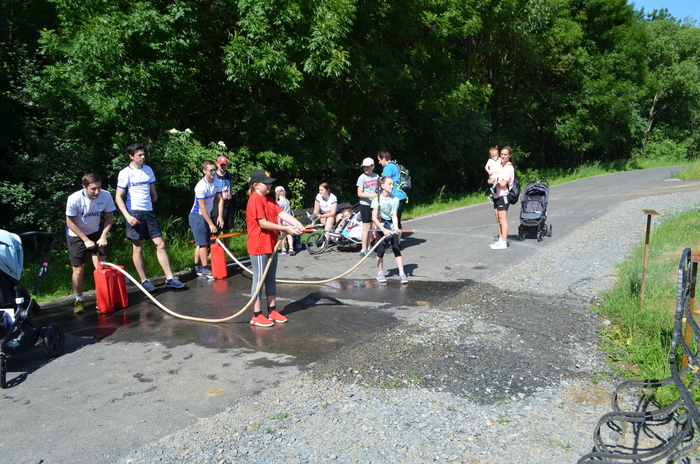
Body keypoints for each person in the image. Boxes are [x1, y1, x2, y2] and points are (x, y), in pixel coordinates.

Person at [115, 142, 186, 291]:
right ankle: (144, 281)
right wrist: (127, 216)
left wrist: (154, 196)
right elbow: (118, 197)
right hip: (134, 212)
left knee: (160, 244)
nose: (143, 157)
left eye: (143, 154)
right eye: (139, 155)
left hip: (149, 211)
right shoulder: (125, 173)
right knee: (138, 247)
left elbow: (152, 189)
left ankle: (170, 278)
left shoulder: (148, 170)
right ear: (131, 156)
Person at [246, 169, 304, 327]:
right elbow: (263, 223)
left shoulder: (269, 199)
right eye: (266, 183)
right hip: (258, 245)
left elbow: (282, 213)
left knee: (270, 278)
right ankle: (256, 315)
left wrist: (297, 223)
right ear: (256, 185)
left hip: (271, 244)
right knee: (259, 279)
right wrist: (285, 229)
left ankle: (272, 310)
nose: (269, 185)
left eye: (270, 183)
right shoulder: (254, 199)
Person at [65, 172, 116, 314]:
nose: (97, 192)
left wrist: (103, 236)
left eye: (99, 187)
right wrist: (85, 240)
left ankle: (103, 298)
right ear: (85, 187)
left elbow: (109, 217)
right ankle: (79, 299)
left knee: (101, 267)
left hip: (95, 232)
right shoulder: (74, 198)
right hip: (76, 234)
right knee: (78, 269)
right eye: (93, 189)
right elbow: (70, 222)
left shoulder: (105, 195)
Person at [189, 160, 224, 278]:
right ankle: (204, 268)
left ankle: (195, 266)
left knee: (201, 243)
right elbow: (202, 207)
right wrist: (211, 224)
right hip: (197, 215)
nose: (213, 172)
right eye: (211, 170)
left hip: (206, 214)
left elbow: (220, 199)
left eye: (214, 170)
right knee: (203, 243)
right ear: (204, 171)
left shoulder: (217, 181)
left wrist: (220, 216)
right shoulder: (201, 186)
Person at [371, 176, 408, 285]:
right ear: (382, 186)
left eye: (393, 184)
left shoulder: (395, 199)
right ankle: (380, 273)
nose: (392, 186)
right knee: (381, 250)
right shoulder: (377, 200)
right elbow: (374, 218)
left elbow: (394, 216)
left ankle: (402, 273)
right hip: (380, 227)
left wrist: (396, 228)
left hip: (391, 226)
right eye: (390, 184)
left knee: (396, 248)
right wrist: (383, 230)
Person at [490, 146, 515, 250]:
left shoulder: (509, 167)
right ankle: (500, 240)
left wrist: (495, 183)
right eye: (502, 154)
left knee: (503, 219)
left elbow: (504, 183)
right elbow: (494, 177)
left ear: (509, 155)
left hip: (504, 195)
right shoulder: (501, 166)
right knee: (498, 218)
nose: (503, 156)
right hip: (496, 195)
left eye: (505, 154)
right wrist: (491, 180)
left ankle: (504, 242)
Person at [376, 150, 408, 230]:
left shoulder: (387, 168)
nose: (379, 162)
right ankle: (398, 235)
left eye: (379, 160)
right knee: (396, 219)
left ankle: (395, 237)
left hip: (394, 196)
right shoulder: (394, 165)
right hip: (401, 195)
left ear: (384, 159)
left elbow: (385, 182)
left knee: (391, 220)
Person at [357, 157, 379, 257]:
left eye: (368, 167)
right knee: (366, 226)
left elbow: (378, 189)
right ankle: (363, 249)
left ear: (372, 166)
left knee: (371, 226)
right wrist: (371, 195)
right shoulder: (362, 177)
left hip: (374, 204)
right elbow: (359, 193)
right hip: (365, 204)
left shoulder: (376, 176)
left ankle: (369, 248)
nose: (366, 169)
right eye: (364, 167)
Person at [211, 156, 234, 248]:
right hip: (216, 203)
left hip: (228, 203)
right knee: (218, 227)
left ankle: (227, 248)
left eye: (224, 164)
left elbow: (231, 186)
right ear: (217, 164)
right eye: (221, 165)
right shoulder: (214, 176)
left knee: (227, 227)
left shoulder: (229, 174)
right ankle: (217, 248)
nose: (223, 166)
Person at [275, 186, 295, 256]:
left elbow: (279, 214)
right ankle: (291, 247)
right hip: (288, 220)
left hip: (282, 221)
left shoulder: (278, 203)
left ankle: (283, 249)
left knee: (283, 235)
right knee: (289, 235)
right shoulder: (287, 201)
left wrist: (279, 223)